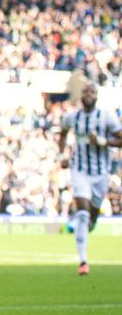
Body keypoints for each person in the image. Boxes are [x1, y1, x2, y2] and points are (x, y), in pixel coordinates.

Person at [57, 81, 122, 276]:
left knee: (92, 213)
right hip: (79, 170)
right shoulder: (72, 117)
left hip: (101, 173)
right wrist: (62, 156)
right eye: (85, 91)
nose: (88, 94)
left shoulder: (106, 118)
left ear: (96, 96)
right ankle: (83, 261)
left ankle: (91, 219)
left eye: (92, 91)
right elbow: (62, 135)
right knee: (83, 213)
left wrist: (104, 141)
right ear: (81, 95)